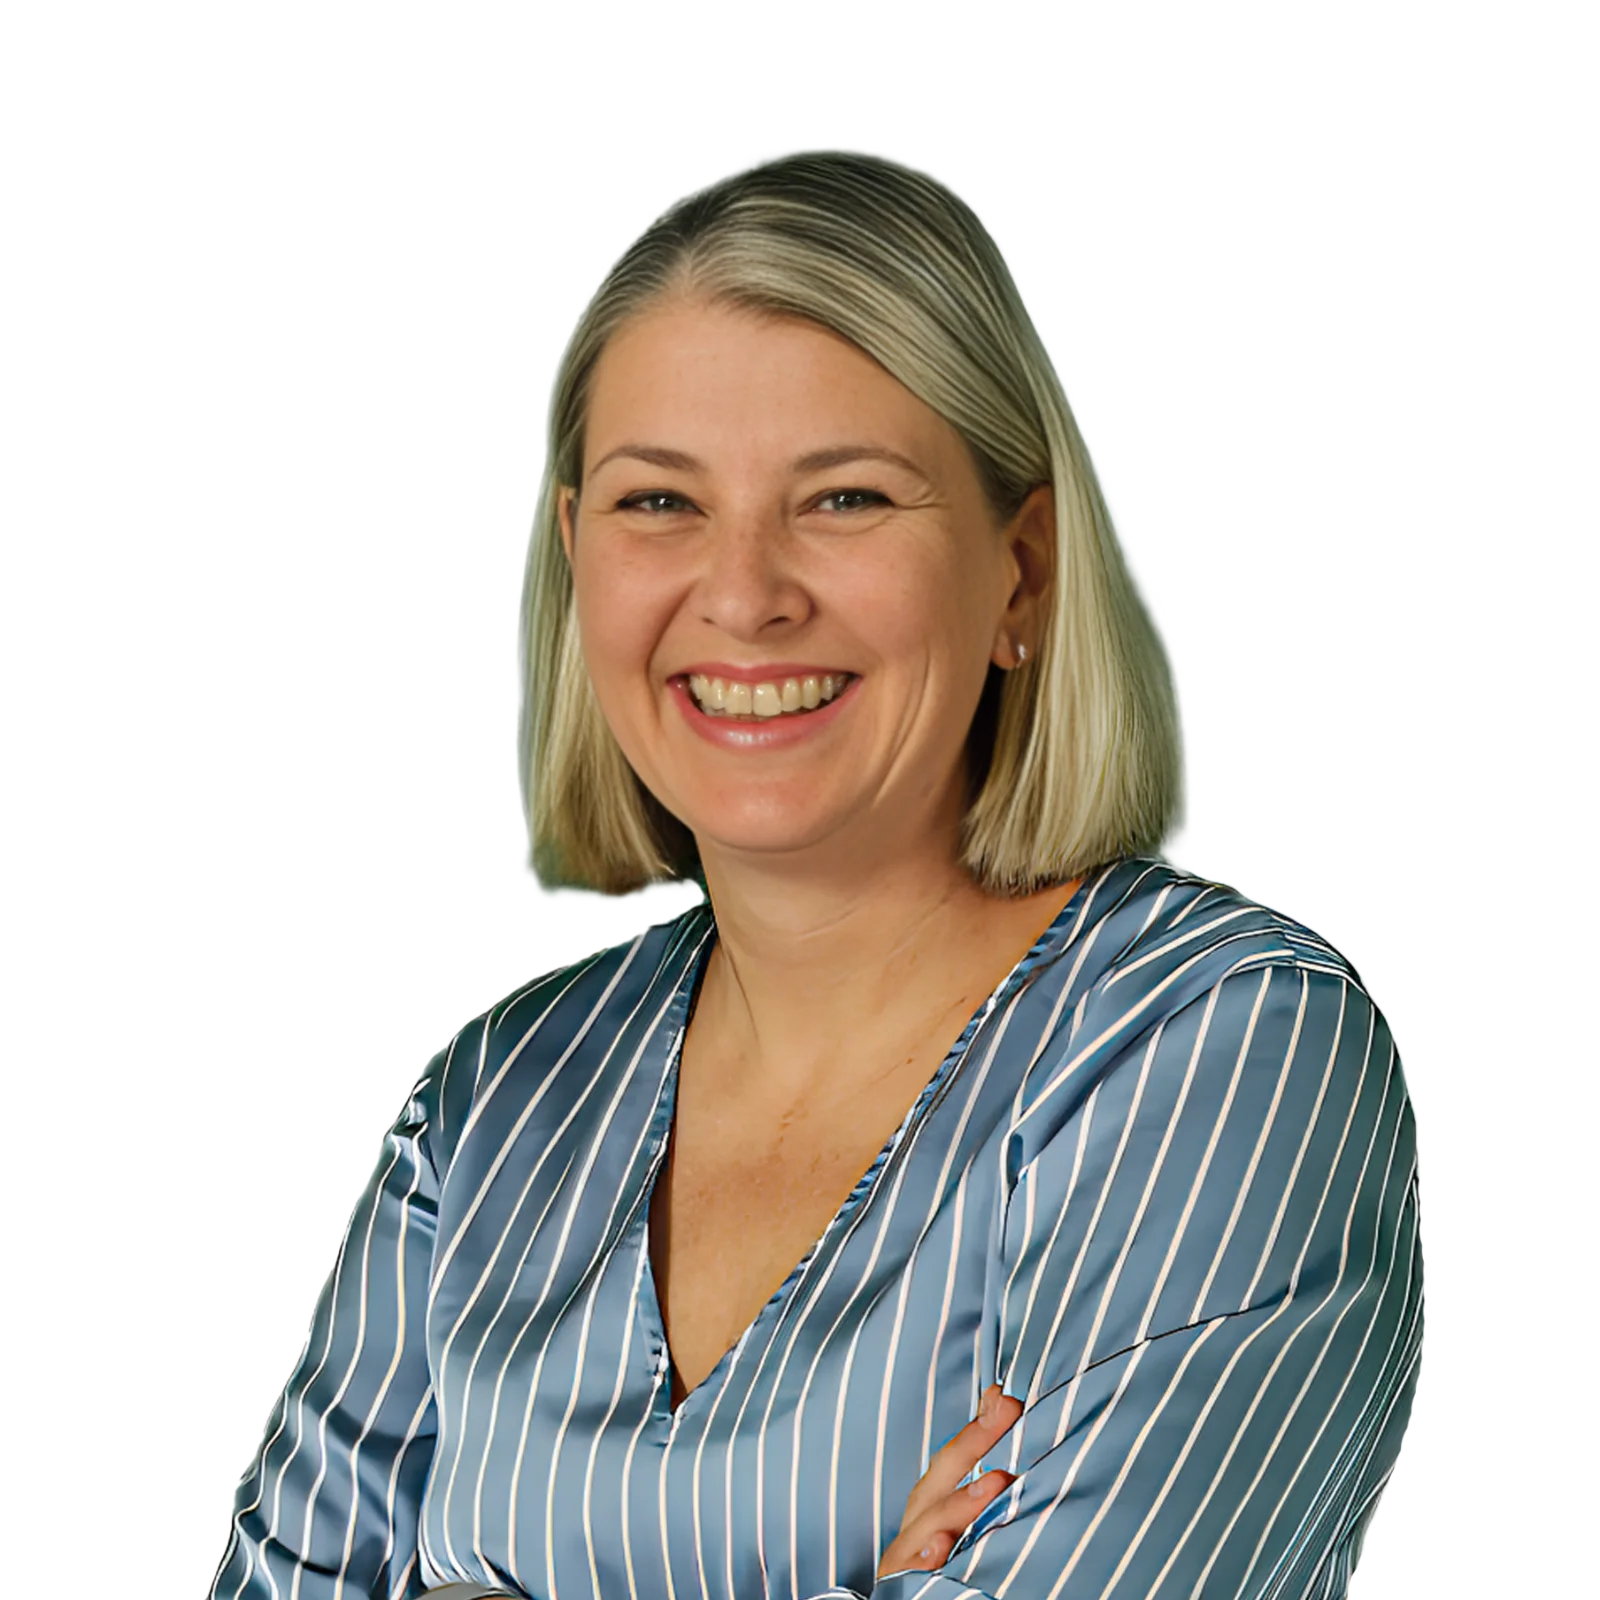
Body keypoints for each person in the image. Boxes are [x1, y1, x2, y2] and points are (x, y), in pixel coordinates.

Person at [209, 146, 1424, 1598]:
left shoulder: (1224, 1051)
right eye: (661, 503)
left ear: (1020, 572)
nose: (744, 593)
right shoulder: (494, 1107)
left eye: (844, 499)